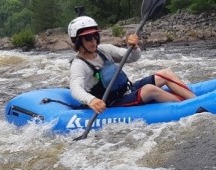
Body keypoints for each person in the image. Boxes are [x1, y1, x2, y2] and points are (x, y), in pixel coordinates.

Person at [68, 16, 196, 114]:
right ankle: (189, 107)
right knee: (149, 90)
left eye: (95, 36)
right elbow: (75, 88)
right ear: (78, 41)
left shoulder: (104, 50)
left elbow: (132, 57)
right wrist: (91, 100)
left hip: (126, 89)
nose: (94, 41)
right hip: (110, 102)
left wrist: (133, 48)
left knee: (165, 73)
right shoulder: (79, 65)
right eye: (88, 38)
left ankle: (195, 100)